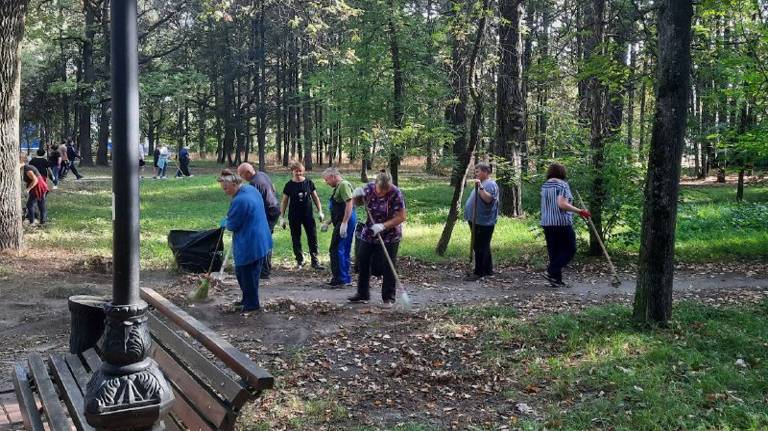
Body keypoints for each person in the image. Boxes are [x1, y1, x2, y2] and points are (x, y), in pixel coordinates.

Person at [348, 170, 407, 304]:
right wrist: (356, 196)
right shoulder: (368, 189)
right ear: (375, 184)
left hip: (391, 234)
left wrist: (383, 226)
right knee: (362, 260)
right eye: (380, 190)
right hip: (370, 231)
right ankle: (362, 293)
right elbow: (357, 203)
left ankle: (388, 298)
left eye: (385, 191)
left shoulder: (395, 193)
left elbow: (401, 217)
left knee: (388, 265)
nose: (382, 193)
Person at [218, 169, 273, 312]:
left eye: (226, 188)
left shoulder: (240, 200)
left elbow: (232, 225)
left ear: (235, 184)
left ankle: (252, 305)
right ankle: (247, 299)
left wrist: (227, 222)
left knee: (246, 274)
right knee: (246, 273)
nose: (224, 191)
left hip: (251, 242)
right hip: (261, 237)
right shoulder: (250, 189)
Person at [540, 163, 591, 287]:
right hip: (561, 222)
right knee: (570, 249)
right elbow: (562, 204)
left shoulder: (545, 185)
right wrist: (580, 211)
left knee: (555, 252)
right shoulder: (562, 184)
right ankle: (551, 270)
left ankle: (556, 279)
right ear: (562, 172)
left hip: (547, 222)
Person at [237, 163, 280, 278]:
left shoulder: (254, 184)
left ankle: (264, 271)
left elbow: (252, 203)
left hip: (269, 212)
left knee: (263, 241)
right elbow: (273, 188)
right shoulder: (262, 174)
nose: (241, 178)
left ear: (248, 173)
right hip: (274, 208)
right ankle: (264, 268)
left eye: (241, 175)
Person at [280, 161, 325, 269]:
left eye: (300, 171)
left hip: (308, 215)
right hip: (294, 215)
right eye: (296, 171)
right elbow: (284, 201)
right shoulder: (289, 185)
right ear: (292, 172)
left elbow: (315, 198)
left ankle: (315, 261)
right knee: (296, 237)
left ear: (303, 171)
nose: (298, 173)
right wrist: (282, 217)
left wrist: (320, 211)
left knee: (312, 236)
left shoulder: (309, 182)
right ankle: (300, 260)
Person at [320, 167, 357, 287]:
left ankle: (340, 279)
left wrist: (345, 223)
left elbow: (349, 203)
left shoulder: (343, 185)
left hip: (345, 220)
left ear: (333, 176)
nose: (326, 182)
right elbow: (339, 210)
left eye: (327, 180)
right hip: (342, 219)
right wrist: (328, 222)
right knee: (343, 248)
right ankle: (344, 278)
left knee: (336, 248)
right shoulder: (338, 187)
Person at [464, 162, 500, 281]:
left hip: (483, 221)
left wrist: (480, 187)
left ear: (485, 172)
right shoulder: (483, 183)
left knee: (479, 246)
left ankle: (479, 272)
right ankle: (488, 269)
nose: (476, 173)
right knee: (483, 245)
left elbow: (488, 199)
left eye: (478, 171)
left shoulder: (490, 184)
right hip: (477, 220)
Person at [20, 154, 50, 226]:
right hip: (39, 186)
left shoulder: (27, 168)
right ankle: (43, 222)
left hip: (39, 186)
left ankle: (32, 222)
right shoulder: (25, 168)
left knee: (30, 205)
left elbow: (35, 180)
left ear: (22, 161)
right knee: (41, 204)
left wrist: (28, 189)